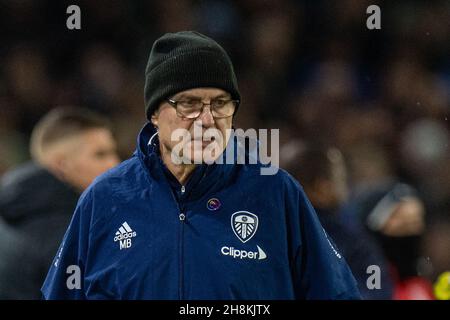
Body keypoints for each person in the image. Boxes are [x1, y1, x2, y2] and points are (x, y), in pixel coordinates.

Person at [41, 31, 360, 300]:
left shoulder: (276, 192)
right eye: (189, 104)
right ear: (154, 113)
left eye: (220, 103)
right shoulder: (104, 199)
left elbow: (338, 293)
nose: (207, 120)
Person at [0, 106, 119, 299]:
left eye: (113, 152)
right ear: (62, 165)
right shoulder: (67, 229)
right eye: (100, 154)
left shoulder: (17, 209)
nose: (114, 164)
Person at [282, 144, 394, 299]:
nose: (345, 187)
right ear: (321, 188)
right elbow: (376, 288)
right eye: (339, 179)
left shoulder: (270, 231)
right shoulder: (349, 236)